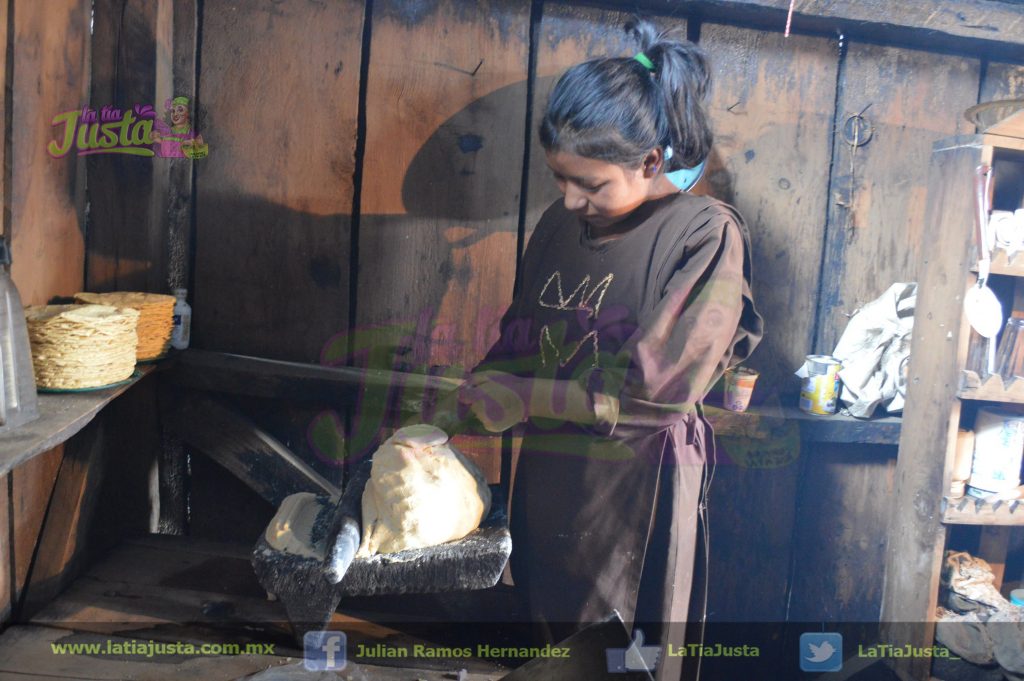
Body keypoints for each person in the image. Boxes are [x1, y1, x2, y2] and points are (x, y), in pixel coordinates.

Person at [454, 17, 763, 680]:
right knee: (547, 655)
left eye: (591, 184)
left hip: (637, 492)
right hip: (553, 485)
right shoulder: (557, 226)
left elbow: (658, 390)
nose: (571, 199)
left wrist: (532, 396)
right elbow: (521, 332)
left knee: (624, 661)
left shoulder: (704, 234)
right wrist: (482, 389)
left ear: (651, 162)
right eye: (561, 179)